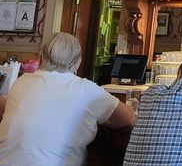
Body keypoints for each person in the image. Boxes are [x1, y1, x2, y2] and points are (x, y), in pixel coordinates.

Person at [0, 32, 136, 166]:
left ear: (42, 56)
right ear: (78, 61)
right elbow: (129, 118)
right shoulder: (85, 89)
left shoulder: (21, 81)